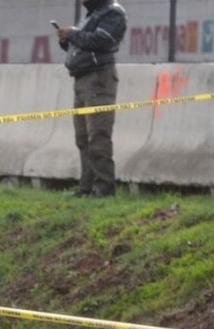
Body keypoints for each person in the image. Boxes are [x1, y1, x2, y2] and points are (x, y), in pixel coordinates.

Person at [58, 0, 127, 198]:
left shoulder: (113, 13)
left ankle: (104, 188)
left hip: (98, 79)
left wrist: (72, 34)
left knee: (98, 135)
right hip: (81, 79)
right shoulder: (91, 15)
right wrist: (66, 41)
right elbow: (83, 44)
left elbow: (102, 41)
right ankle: (87, 187)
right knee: (82, 137)